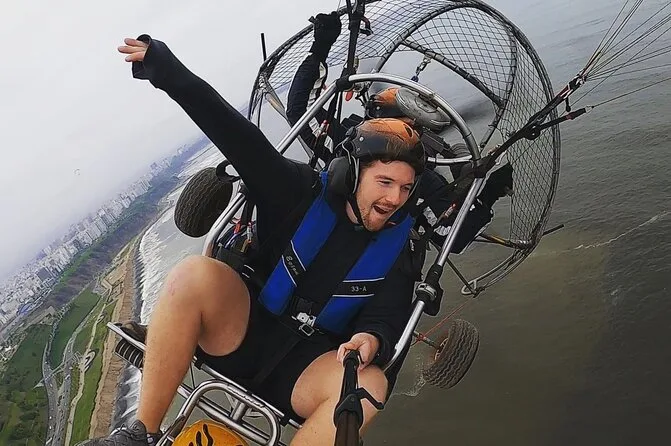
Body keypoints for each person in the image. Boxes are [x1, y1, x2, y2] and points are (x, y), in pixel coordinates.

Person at [77, 35, 427, 446]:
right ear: (351, 174)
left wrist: (371, 339)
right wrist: (167, 71)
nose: (394, 198)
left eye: (405, 189)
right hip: (240, 332)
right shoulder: (296, 191)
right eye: (385, 182)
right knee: (194, 273)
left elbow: (387, 316)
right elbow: (234, 133)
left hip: (307, 370)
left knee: (371, 385)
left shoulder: (400, 247)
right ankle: (139, 434)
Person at [285, 11, 513, 253]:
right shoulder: (347, 147)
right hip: (328, 244)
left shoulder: (415, 177)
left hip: (376, 256)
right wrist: (319, 50)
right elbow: (301, 110)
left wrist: (488, 192)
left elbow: (449, 236)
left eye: (410, 129)